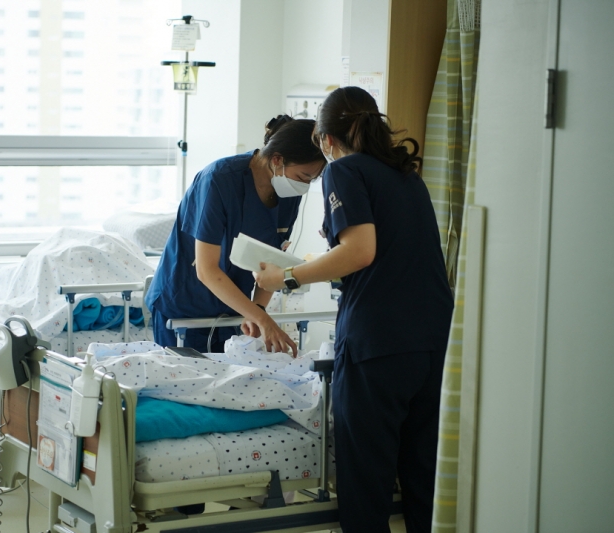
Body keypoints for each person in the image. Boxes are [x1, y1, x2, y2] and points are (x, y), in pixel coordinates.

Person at [255, 87, 454, 533]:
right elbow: (388, 253)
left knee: (367, 481)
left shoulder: (344, 170)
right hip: (432, 340)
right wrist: (321, 258)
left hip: (379, 344)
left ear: (326, 140)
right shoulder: (406, 176)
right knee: (423, 476)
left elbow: (360, 252)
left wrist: (287, 277)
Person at [146, 115, 326, 356]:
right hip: (184, 306)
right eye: (303, 177)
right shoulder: (218, 180)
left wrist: (257, 308)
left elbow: (270, 261)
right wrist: (261, 318)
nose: (305, 186)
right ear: (277, 160)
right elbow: (206, 270)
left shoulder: (287, 193)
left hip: (233, 310)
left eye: (312, 180)